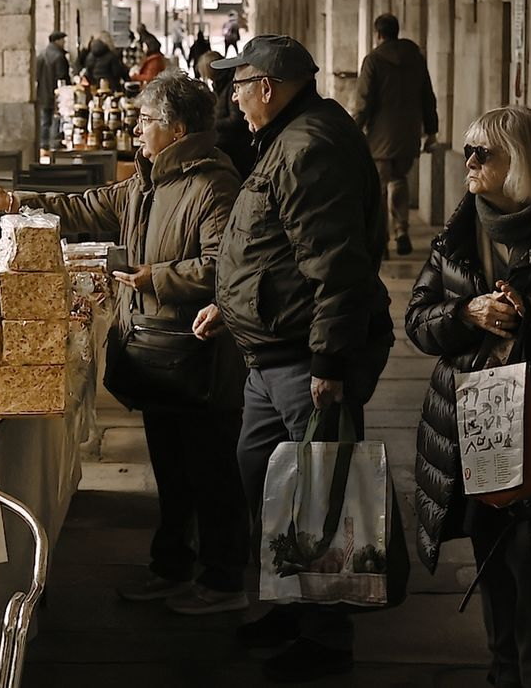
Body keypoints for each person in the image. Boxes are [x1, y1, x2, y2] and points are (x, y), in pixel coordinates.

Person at [0, 72, 251, 616]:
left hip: (195, 355)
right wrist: (13, 200)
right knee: (171, 469)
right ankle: (172, 567)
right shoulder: (147, 180)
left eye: (146, 121)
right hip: (155, 349)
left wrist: (154, 277)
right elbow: (87, 205)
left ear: (178, 129)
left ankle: (224, 580)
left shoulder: (213, 187)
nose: (136, 130)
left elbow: (223, 268)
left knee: (210, 471)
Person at [196, 35, 393, 682]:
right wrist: (233, 303)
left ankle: (327, 637)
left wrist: (330, 363)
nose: (232, 97)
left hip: (304, 357)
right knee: (267, 478)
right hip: (272, 350)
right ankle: (289, 601)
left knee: (317, 495)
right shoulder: (290, 135)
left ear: (269, 88)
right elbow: (277, 245)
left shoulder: (308, 147)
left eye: (238, 85)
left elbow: (338, 265)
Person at [405, 106, 531, 688]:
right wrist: (467, 312)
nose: (468, 162)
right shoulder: (457, 235)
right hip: (473, 423)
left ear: (522, 164)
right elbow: (419, 321)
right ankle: (503, 672)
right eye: (468, 150)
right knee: (491, 552)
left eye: (482, 153)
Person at [355, 13, 439, 256]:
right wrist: (431, 130)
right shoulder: (416, 57)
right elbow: (427, 96)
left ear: (378, 34)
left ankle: (380, 240)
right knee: (399, 179)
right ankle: (401, 230)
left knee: (379, 187)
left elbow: (364, 101)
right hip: (408, 133)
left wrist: (352, 129)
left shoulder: (373, 60)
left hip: (380, 136)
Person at [196, 50, 254, 180]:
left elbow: (236, 119)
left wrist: (212, 123)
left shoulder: (230, 86)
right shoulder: (221, 85)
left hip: (235, 146)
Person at [36, 31, 71, 155]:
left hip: (42, 93)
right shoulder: (59, 57)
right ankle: (54, 144)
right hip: (56, 93)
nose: (64, 43)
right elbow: (62, 77)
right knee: (56, 119)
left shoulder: (41, 54)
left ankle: (43, 145)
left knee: (44, 120)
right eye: (63, 40)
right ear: (57, 41)